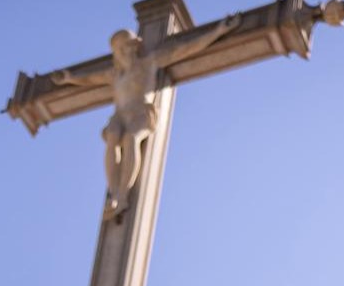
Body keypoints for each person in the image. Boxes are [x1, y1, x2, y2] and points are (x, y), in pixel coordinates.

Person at [51, 15, 239, 218]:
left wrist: (218, 31)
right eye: (124, 48)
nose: (129, 51)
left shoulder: (150, 62)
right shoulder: (114, 74)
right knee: (113, 137)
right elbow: (88, 79)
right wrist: (69, 78)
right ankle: (114, 193)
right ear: (118, 52)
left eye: (131, 46)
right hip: (120, 115)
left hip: (141, 111)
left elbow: (185, 49)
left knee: (131, 138)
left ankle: (123, 196)